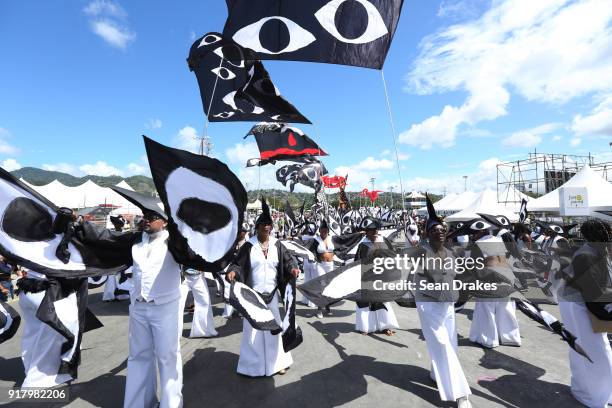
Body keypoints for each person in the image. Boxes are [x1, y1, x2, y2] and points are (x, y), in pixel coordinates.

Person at [226, 199, 300, 377]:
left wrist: (293, 268)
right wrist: (233, 273)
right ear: (257, 227)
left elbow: (288, 261)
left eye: (269, 224)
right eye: (263, 225)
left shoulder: (277, 245)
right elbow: (237, 264)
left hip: (272, 295)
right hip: (253, 296)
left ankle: (277, 364)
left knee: (275, 329)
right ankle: (252, 366)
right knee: (252, 333)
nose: (267, 227)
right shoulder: (249, 245)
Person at [414, 197, 471, 408]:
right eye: (435, 229)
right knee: (442, 343)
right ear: (427, 233)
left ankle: (436, 372)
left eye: (442, 229)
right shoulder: (421, 252)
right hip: (428, 304)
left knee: (450, 343)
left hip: (448, 303)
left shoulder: (451, 253)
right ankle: (461, 394)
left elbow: (455, 277)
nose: (440, 231)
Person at [123, 208, 183, 408]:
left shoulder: (174, 242)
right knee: (138, 356)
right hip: (138, 307)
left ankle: (170, 404)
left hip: (165, 308)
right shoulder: (136, 241)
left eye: (152, 217)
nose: (146, 220)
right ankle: (139, 403)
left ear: (165, 222)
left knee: (168, 357)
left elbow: (192, 251)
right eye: (145, 217)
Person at [559, 219, 612, 408]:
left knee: (584, 348)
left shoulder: (595, 250)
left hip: (578, 301)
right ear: (602, 235)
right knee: (597, 351)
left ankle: (587, 390)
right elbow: (592, 294)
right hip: (576, 305)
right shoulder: (587, 255)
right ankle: (596, 397)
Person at [17, 269, 74, 388]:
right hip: (45, 292)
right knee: (51, 337)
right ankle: (38, 378)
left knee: (32, 333)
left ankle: (30, 369)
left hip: (26, 291)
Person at [354, 218, 399, 336]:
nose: (374, 232)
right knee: (365, 302)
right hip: (367, 277)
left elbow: (392, 256)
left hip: (382, 276)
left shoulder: (384, 241)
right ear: (367, 232)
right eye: (371, 230)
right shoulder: (363, 245)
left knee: (383, 301)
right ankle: (365, 327)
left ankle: (385, 326)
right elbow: (358, 262)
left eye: (375, 229)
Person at [181, 266, 218, 338]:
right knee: (177, 305)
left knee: (205, 302)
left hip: (198, 276)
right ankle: (174, 334)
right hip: (182, 277)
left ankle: (203, 331)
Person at [313, 220, 335, 318]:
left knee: (329, 286)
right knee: (321, 287)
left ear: (328, 230)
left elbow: (346, 239)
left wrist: (358, 234)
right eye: (322, 230)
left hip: (330, 264)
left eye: (326, 230)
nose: (324, 232)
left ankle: (328, 306)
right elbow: (304, 242)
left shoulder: (332, 239)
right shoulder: (316, 239)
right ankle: (319, 309)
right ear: (320, 230)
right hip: (320, 264)